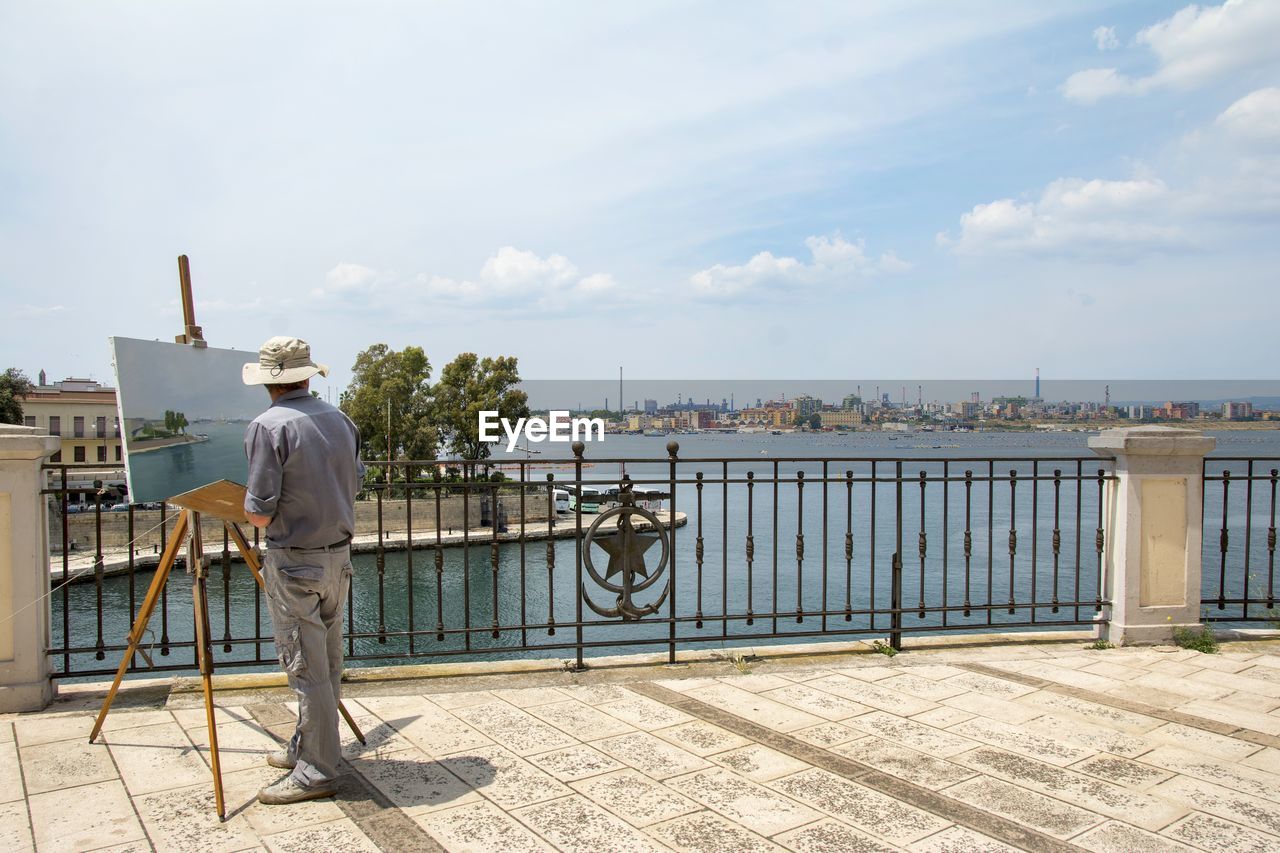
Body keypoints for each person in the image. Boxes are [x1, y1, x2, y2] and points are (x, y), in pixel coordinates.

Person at [241, 336, 362, 805]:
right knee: (327, 663)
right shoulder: (340, 419)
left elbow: (258, 512)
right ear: (307, 375)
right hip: (338, 557)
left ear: (269, 381)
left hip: (295, 559)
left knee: (305, 667)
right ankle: (309, 747)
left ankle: (316, 770)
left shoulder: (267, 426)